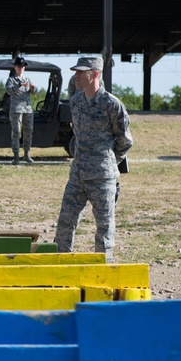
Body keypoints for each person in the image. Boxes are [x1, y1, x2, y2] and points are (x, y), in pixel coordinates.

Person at [54, 55, 132, 261]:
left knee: (104, 228)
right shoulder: (77, 101)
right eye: (76, 71)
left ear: (95, 74)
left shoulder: (111, 104)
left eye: (81, 71)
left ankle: (103, 272)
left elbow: (124, 140)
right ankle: (60, 266)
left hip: (102, 177)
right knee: (65, 223)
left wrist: (107, 162)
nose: (76, 75)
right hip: (77, 174)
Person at [6, 56, 37, 165]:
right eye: (19, 66)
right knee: (16, 132)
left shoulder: (27, 79)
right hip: (16, 109)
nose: (21, 68)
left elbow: (34, 92)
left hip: (27, 109)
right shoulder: (11, 80)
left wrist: (33, 87)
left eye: (23, 67)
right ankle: (16, 156)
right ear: (15, 67)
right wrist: (19, 85)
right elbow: (9, 90)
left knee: (28, 131)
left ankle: (27, 154)